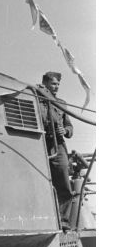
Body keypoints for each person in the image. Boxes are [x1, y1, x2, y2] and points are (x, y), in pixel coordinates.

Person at [37, 71, 74, 226]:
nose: (56, 87)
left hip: (57, 145)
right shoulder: (35, 98)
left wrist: (64, 131)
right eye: (53, 83)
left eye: (58, 84)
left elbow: (69, 127)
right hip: (39, 142)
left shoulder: (61, 103)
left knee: (64, 181)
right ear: (45, 83)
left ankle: (64, 220)